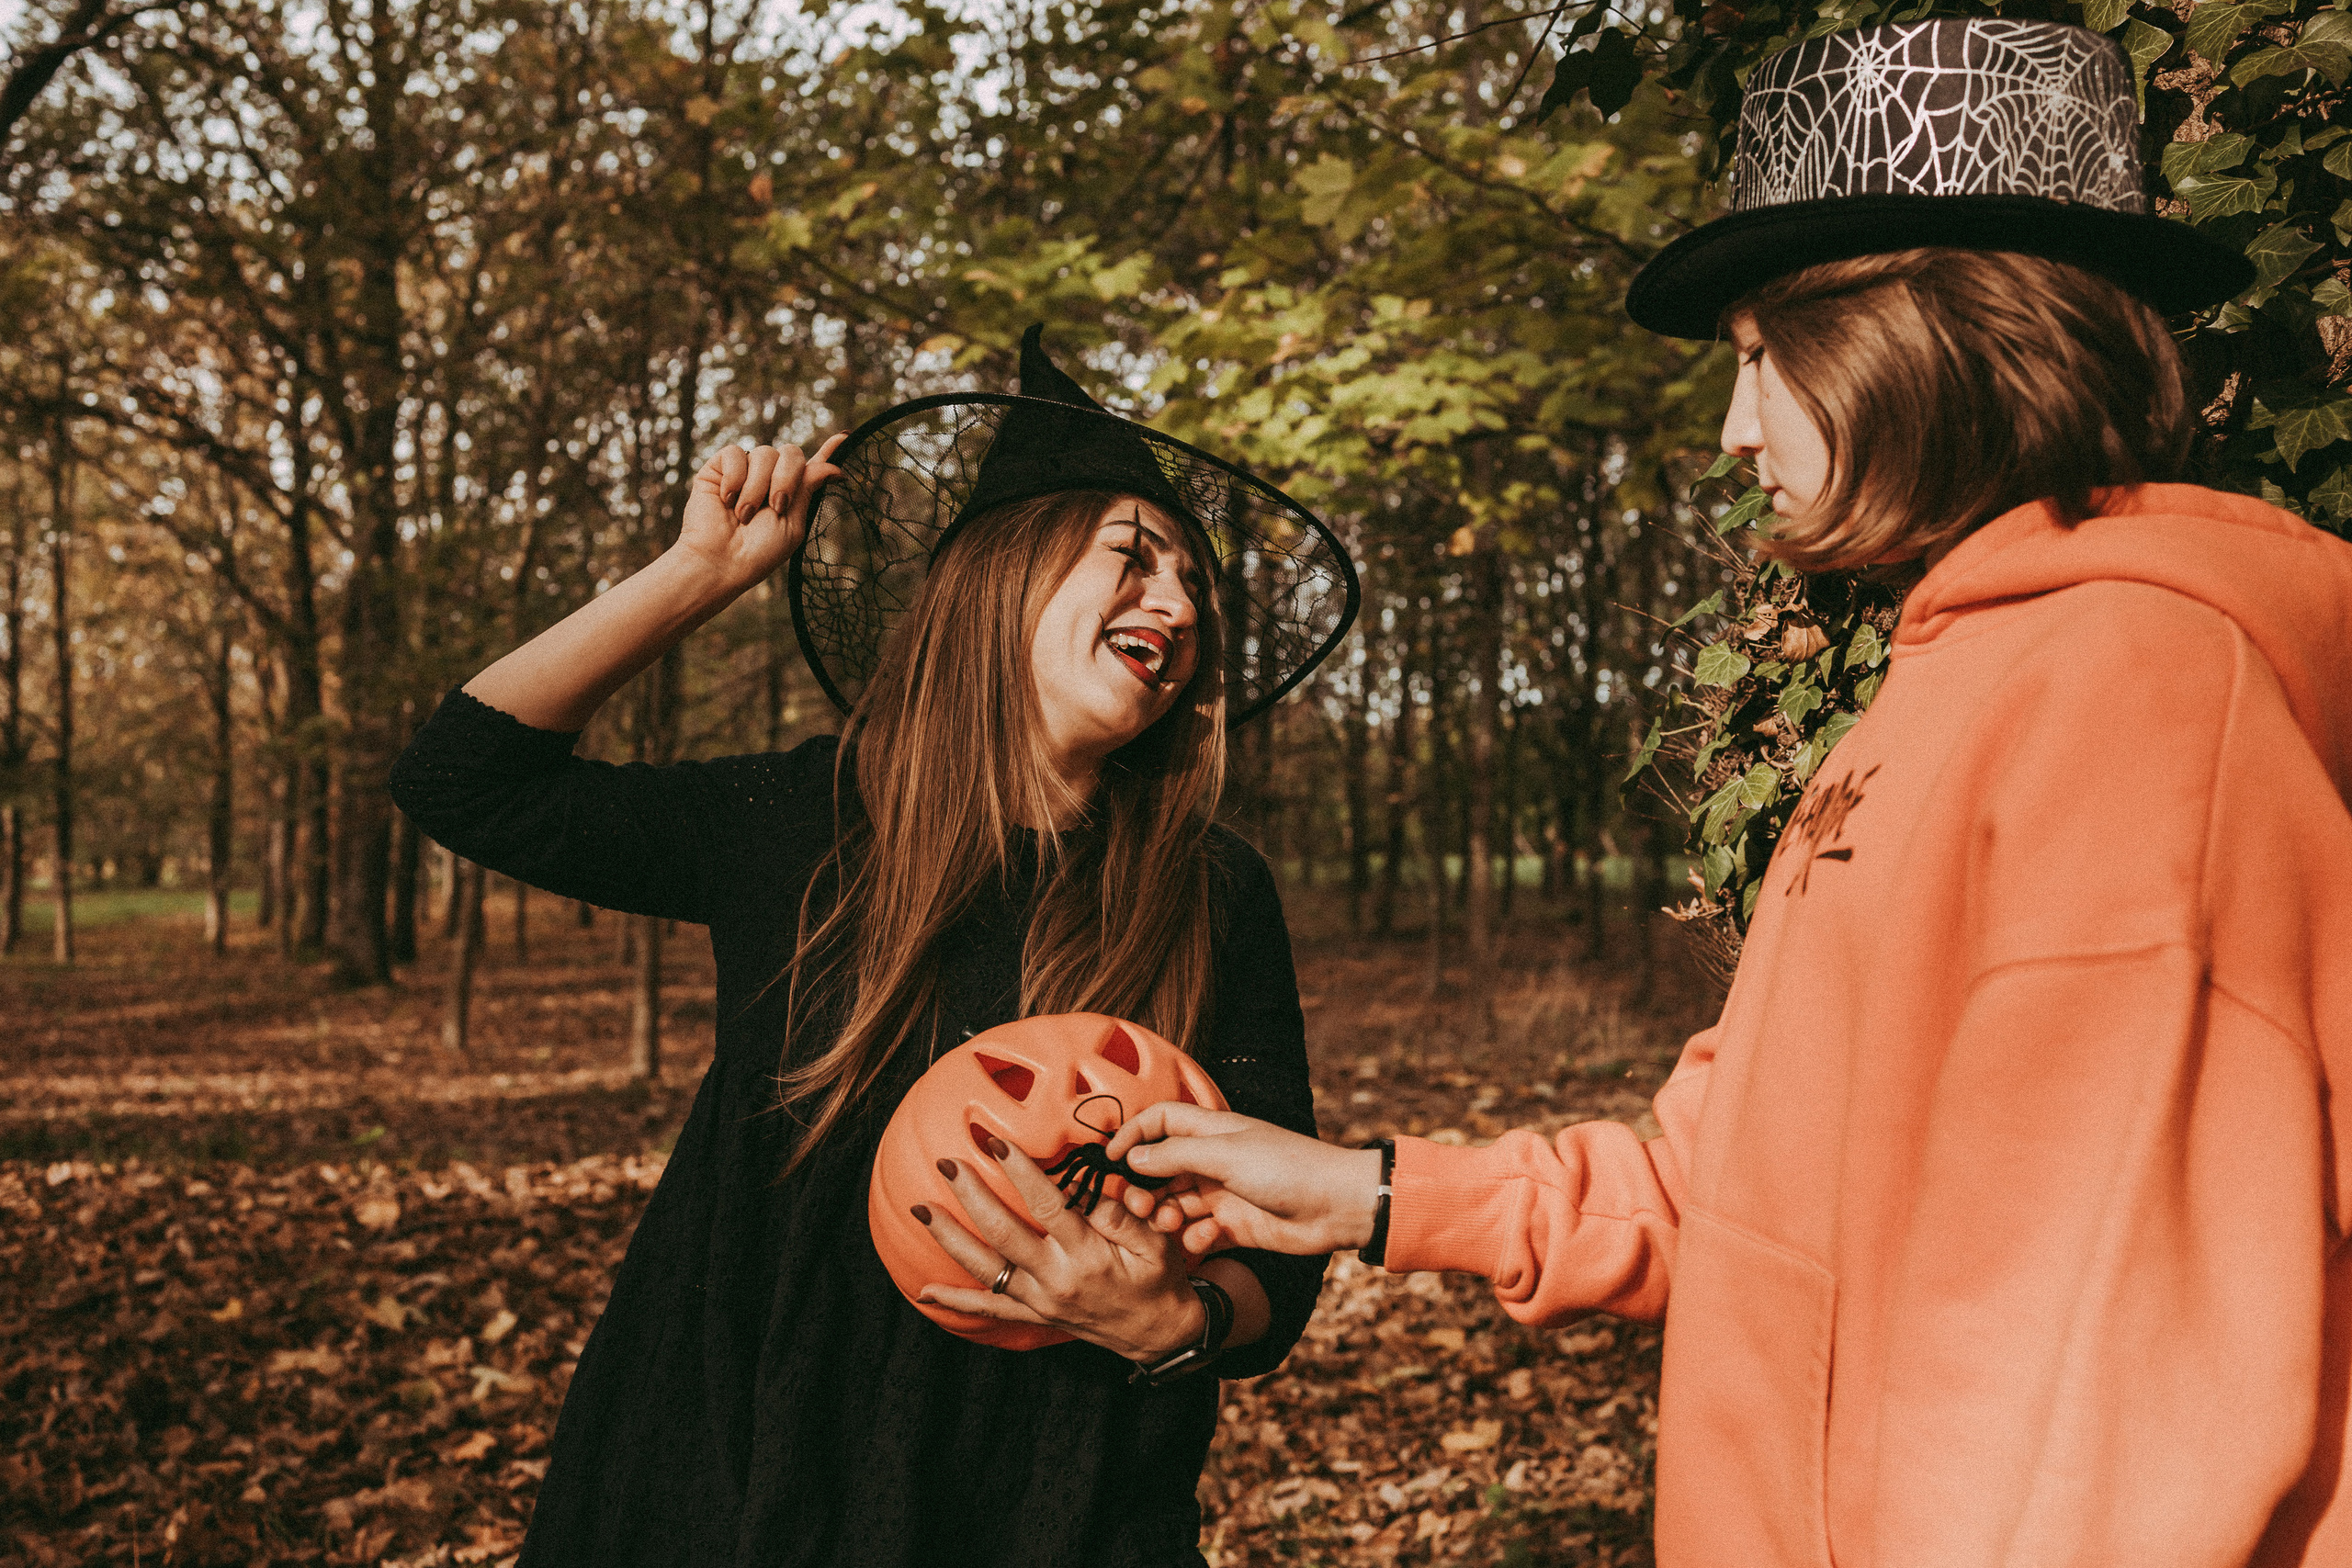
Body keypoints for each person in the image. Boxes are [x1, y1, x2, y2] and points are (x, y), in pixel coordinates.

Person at [1108, 18, 2352, 1566]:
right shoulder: (1946, 683)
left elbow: (2114, 1377)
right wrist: (1361, 1195)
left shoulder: (2137, 692)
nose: (1733, 427)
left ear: (1927, 333)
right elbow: (1735, 1190)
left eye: (1765, 358)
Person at [390, 327, 1359, 1567]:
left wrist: (1174, 1321)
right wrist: (698, 573)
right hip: (738, 1473)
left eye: (1195, 589)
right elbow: (462, 782)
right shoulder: (803, 822)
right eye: (1134, 558)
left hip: (1055, 1502)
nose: (1176, 605)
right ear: (1003, 577)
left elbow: (1280, 1252)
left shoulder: (1211, 887)